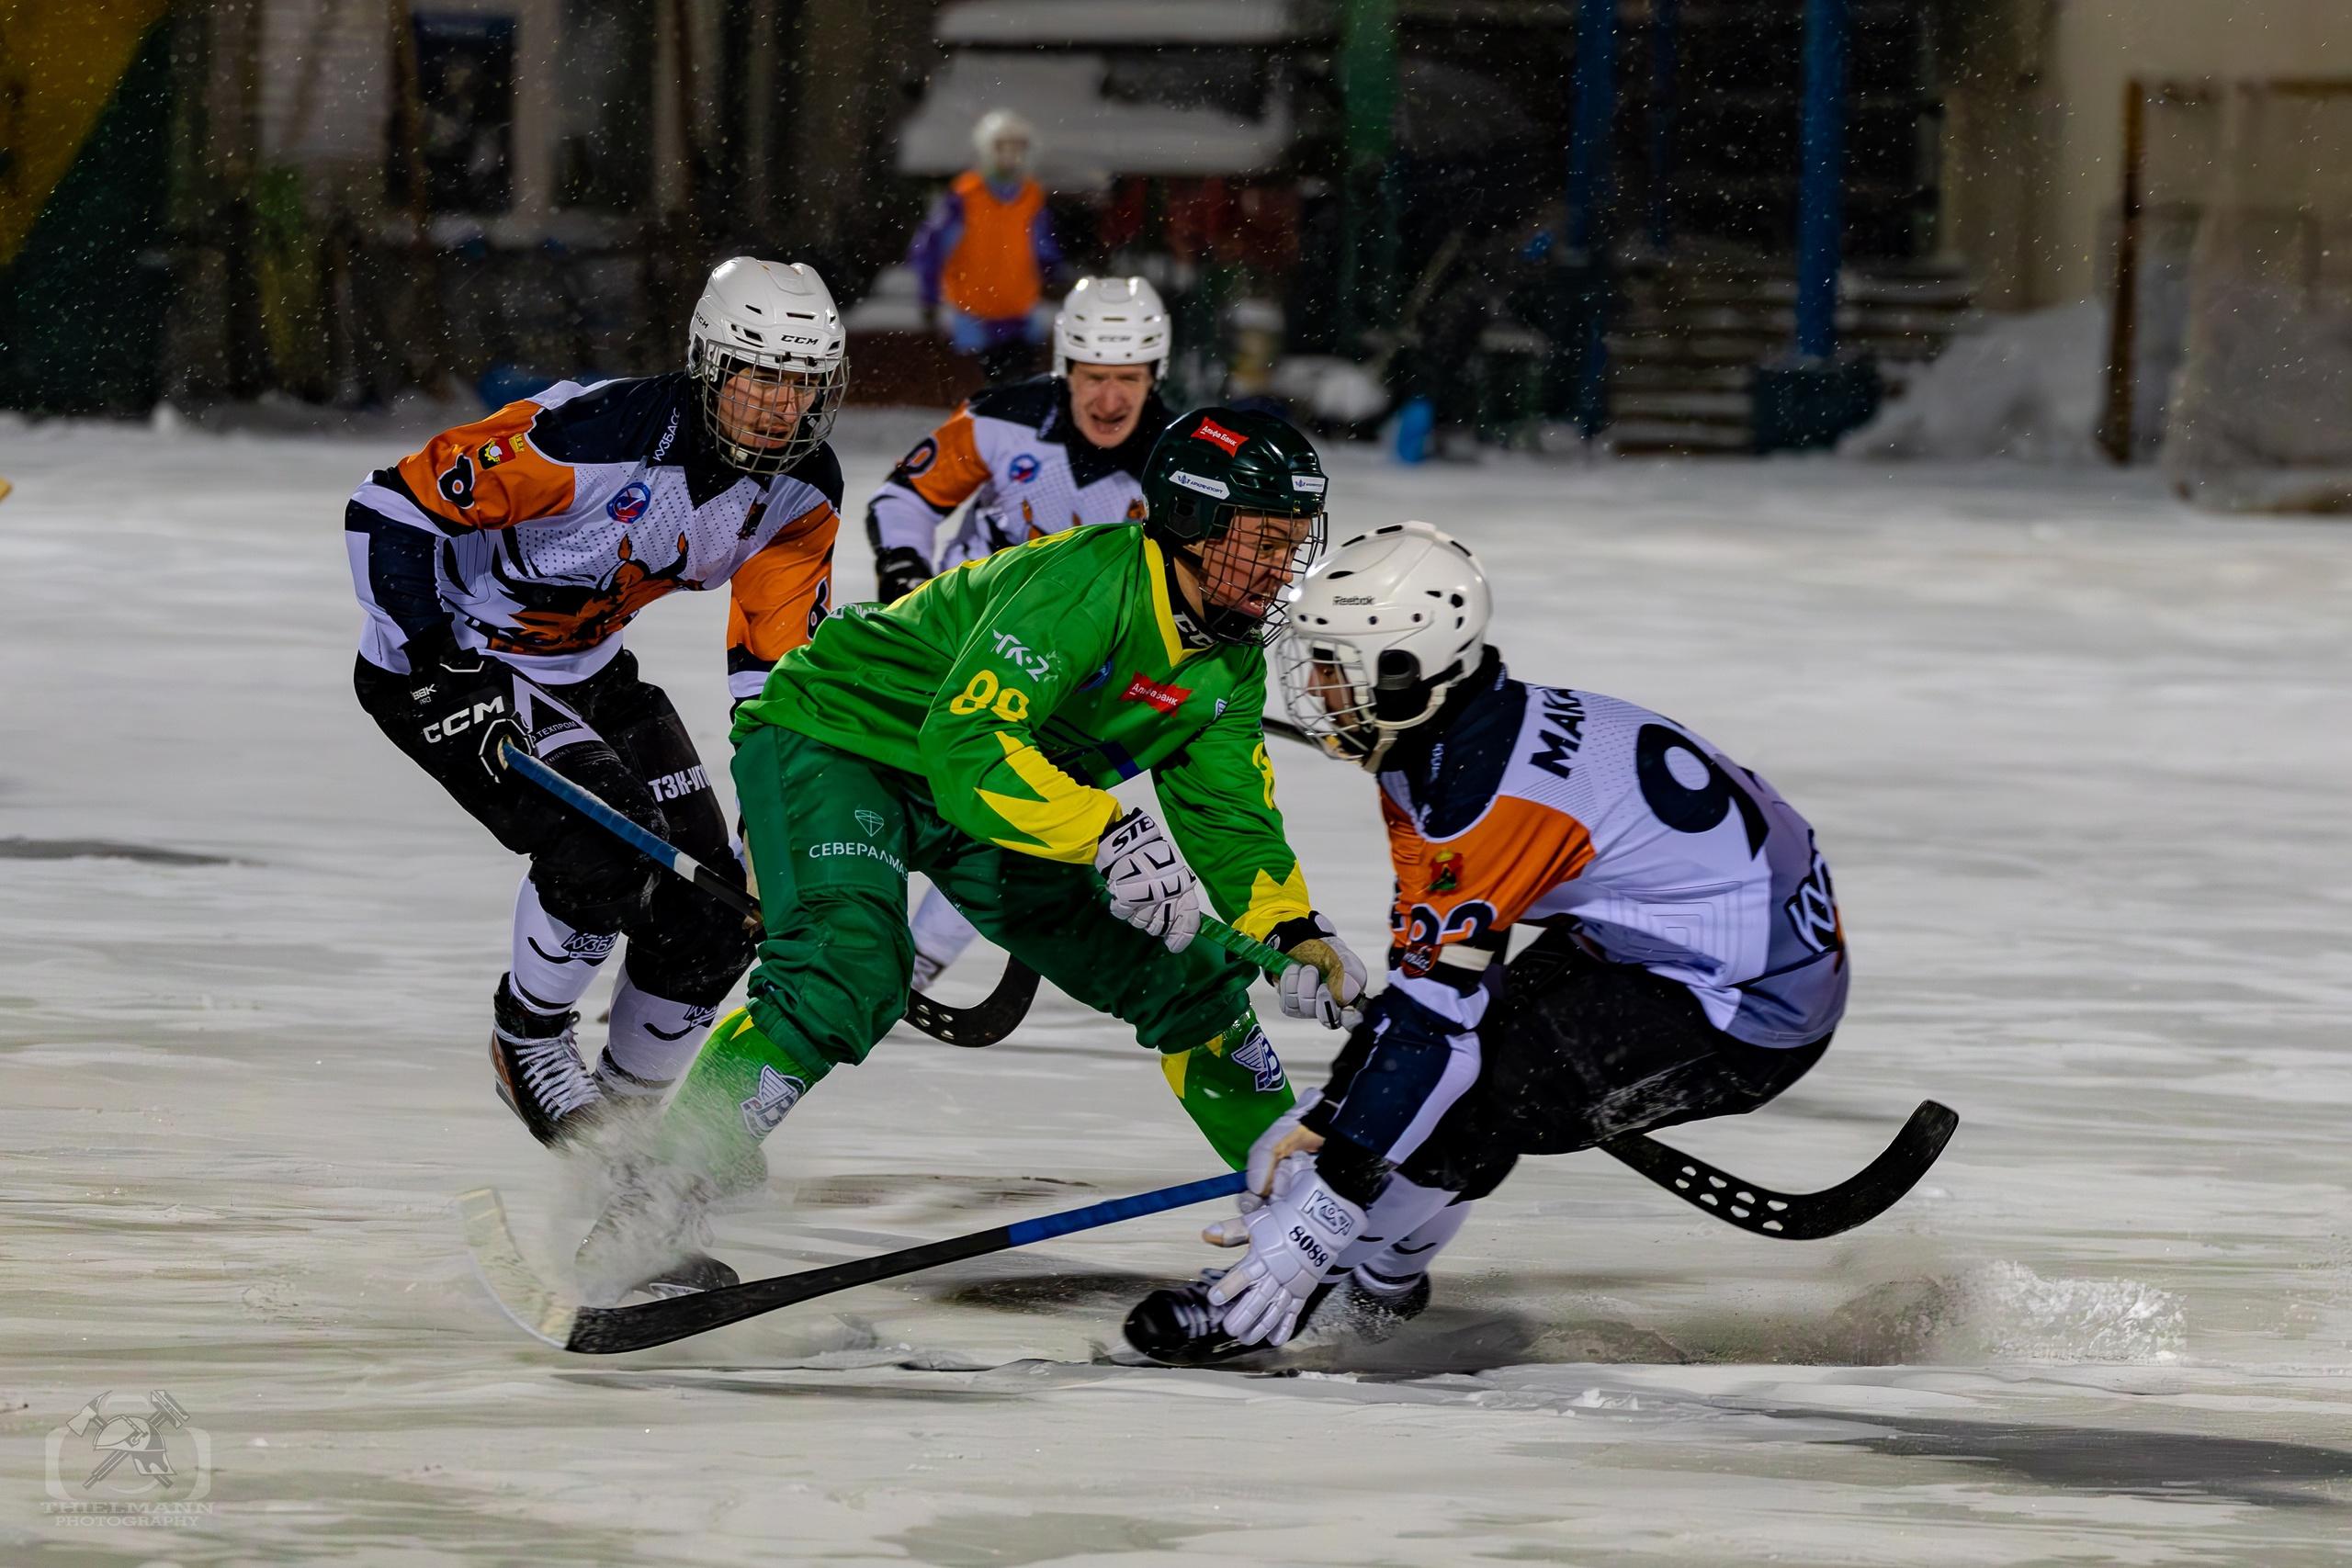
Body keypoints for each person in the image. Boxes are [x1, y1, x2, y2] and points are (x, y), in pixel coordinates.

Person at [587, 409, 1370, 1294]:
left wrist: (1292, 926)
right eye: (1261, 541)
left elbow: (1230, 817)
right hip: (846, 742)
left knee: (1187, 977)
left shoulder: (1227, 662)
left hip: (998, 791)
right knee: (846, 971)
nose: (1282, 568)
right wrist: (1109, 833)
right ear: (1187, 522)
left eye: (1295, 542)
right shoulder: (1086, 585)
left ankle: (1308, 1222)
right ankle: (651, 1208)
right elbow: (968, 747)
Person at [1125, 521, 1849, 1362]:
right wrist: (1335, 1117)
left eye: (1332, 663)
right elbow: (1427, 1002)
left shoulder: (1482, 799)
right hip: (1676, 939)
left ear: (1402, 670)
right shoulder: (1451, 734)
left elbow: (1435, 1032)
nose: (1315, 688)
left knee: (1490, 1091)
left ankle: (1304, 1292)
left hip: (1752, 998)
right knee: (1440, 1086)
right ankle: (1390, 1271)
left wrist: (1316, 1217)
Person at [345, 257, 848, 1151]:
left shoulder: (802, 493)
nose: (782, 407)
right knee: (604, 845)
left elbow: (776, 680)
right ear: (709, 365)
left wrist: (778, 825)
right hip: (452, 658)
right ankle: (528, 1040)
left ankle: (621, 1137)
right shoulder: (591, 438)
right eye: (761, 376)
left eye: (803, 385)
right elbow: (388, 508)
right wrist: (431, 665)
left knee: (717, 918)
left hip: (588, 671)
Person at [866, 274, 1174, 988]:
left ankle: (912, 970)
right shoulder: (999, 418)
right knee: (860, 770)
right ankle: (784, 914)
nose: (1109, 399)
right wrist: (910, 582)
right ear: (1067, 367)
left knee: (1018, 818)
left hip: (1062, 689)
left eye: (1127, 379)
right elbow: (901, 498)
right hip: (945, 644)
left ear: (1154, 374)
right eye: (1094, 376)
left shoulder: (1177, 464)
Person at [907, 108, 1061, 385]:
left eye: (1018, 147)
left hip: (1020, 314)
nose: (1010, 155)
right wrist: (929, 295)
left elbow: (1043, 248)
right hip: (973, 317)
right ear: (987, 148)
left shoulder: (1031, 197)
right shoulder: (966, 196)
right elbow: (931, 247)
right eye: (1002, 146)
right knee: (980, 395)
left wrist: (1053, 273)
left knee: (1020, 392)